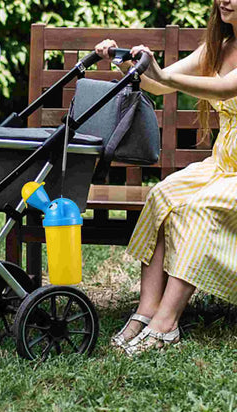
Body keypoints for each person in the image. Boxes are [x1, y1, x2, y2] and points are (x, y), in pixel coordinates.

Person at [95, 0, 237, 355]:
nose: (225, 0)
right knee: (163, 195)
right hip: (222, 164)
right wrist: (123, 60)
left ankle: (167, 324)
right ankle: (146, 311)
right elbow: (158, 86)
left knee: (197, 208)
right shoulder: (218, 48)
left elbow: (223, 90)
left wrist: (162, 73)